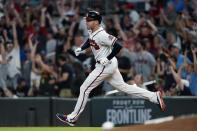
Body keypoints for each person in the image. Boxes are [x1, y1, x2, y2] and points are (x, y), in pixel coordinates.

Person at [56, 10, 166, 126]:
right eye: (86, 20)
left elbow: (118, 46)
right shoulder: (92, 31)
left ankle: (72, 118)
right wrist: (82, 48)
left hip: (105, 65)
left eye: (89, 20)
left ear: (97, 22)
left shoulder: (102, 34)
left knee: (84, 88)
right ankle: (154, 96)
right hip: (107, 64)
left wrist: (107, 58)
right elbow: (90, 40)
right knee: (124, 87)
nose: (86, 22)